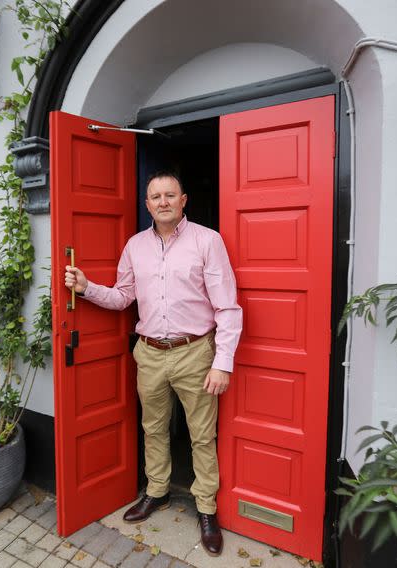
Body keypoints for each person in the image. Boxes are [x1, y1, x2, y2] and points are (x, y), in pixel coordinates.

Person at [64, 171, 242, 556]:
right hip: (148, 352)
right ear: (147, 204)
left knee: (201, 434)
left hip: (195, 352)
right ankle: (157, 492)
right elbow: (123, 297)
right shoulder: (135, 246)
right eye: (155, 196)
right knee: (153, 427)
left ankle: (207, 508)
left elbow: (228, 306)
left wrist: (222, 363)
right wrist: (86, 288)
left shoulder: (207, 241)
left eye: (169, 195)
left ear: (183, 200)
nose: (162, 202)